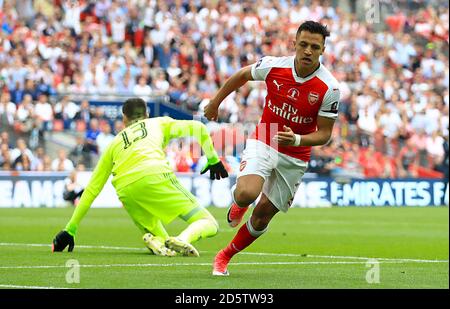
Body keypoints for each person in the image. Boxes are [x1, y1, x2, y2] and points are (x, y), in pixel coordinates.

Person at [204, 21, 340, 276]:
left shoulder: (329, 88)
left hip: (296, 155)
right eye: (303, 45)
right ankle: (239, 203)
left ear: (322, 50)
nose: (308, 51)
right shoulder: (274, 66)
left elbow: (324, 134)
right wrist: (215, 102)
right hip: (266, 136)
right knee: (246, 193)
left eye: (314, 47)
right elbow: (243, 74)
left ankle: (224, 256)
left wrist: (297, 140)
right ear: (294, 44)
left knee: (262, 217)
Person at [53, 97, 228, 256]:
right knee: (209, 223)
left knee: (165, 243)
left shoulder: (113, 143)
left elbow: (92, 188)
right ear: (147, 114)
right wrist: (212, 159)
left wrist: (70, 229)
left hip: (126, 190)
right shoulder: (158, 123)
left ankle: (155, 240)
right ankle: (183, 238)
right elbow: (199, 127)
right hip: (155, 174)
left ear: (124, 119)